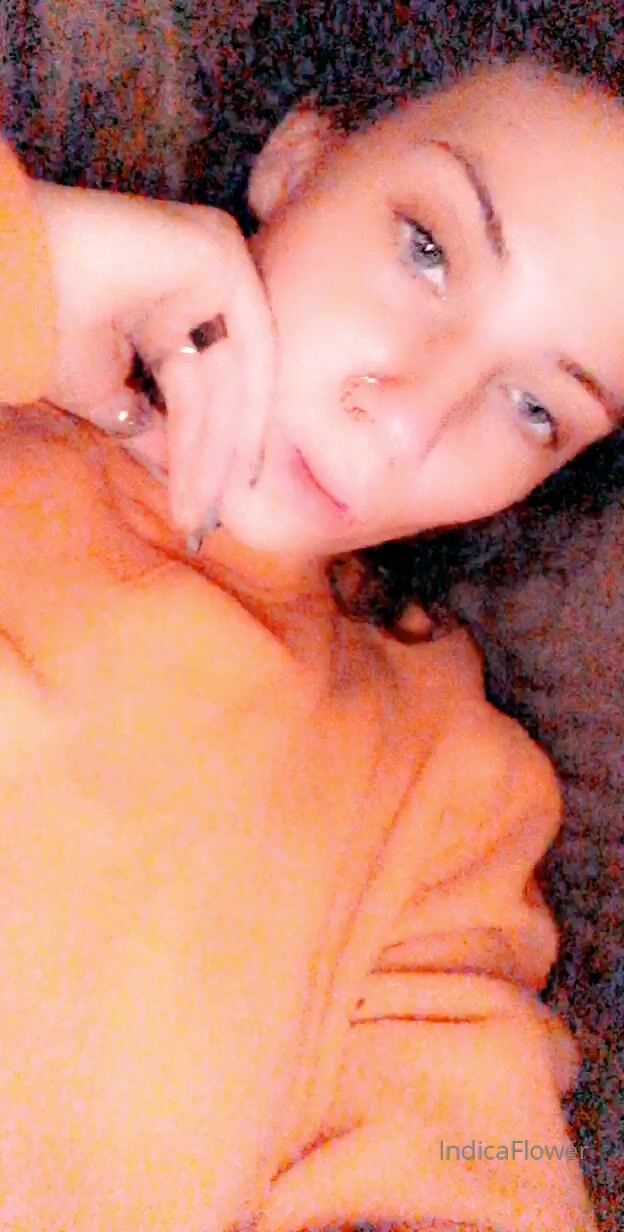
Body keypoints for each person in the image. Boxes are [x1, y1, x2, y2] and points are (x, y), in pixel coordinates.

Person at [0, 49, 623, 1232]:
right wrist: (36, 258)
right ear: (303, 160)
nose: (405, 416)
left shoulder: (449, 789)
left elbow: (469, 1160)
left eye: (535, 407)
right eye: (428, 248)